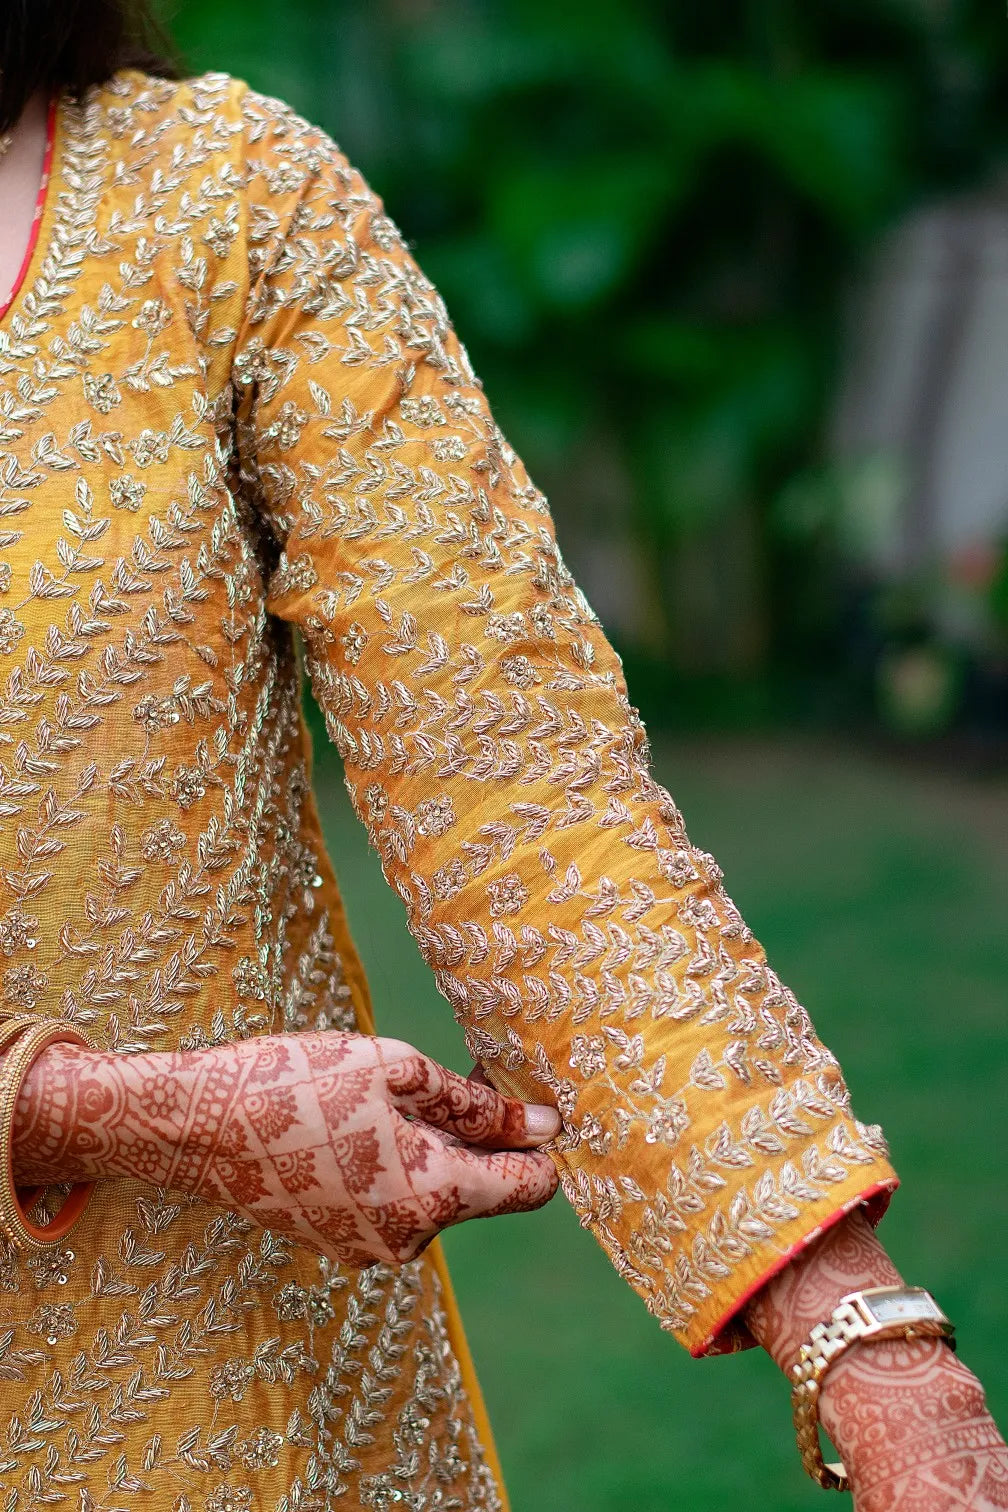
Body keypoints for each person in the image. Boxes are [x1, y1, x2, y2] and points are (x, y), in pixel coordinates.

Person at [0, 5, 1003, 1509]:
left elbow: (523, 789)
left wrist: (859, 1331)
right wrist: (98, 1112)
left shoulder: (213, 209)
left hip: (236, 1418)